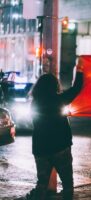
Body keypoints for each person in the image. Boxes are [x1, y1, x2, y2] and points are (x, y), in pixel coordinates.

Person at [18, 58, 84, 200]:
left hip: (41, 149)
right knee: (67, 184)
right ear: (54, 86)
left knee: (42, 183)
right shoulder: (58, 100)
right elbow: (76, 88)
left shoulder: (35, 104)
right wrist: (80, 70)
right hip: (61, 147)